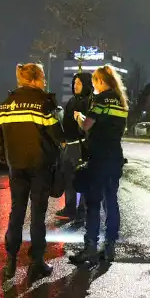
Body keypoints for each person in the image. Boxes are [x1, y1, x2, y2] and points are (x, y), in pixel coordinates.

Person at [0, 63, 66, 279]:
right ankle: (37, 262)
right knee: (37, 216)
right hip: (40, 168)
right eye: (42, 78)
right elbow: (58, 137)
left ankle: (10, 262)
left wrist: (6, 158)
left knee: (16, 213)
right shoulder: (43, 103)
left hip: (17, 167)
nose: (44, 82)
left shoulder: (6, 104)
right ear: (34, 79)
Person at [68, 65, 129, 266]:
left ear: (100, 82)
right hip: (115, 158)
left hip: (98, 157)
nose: (93, 86)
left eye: (94, 82)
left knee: (93, 204)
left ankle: (90, 248)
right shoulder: (121, 101)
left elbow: (87, 126)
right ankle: (109, 248)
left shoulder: (100, 99)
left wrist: (78, 117)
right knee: (111, 203)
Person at [56, 72, 93, 221]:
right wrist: (63, 139)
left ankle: (82, 209)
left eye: (79, 83)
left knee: (82, 178)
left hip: (81, 146)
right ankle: (70, 208)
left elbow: (88, 127)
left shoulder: (89, 102)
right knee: (68, 178)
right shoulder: (71, 101)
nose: (75, 85)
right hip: (69, 145)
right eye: (74, 83)